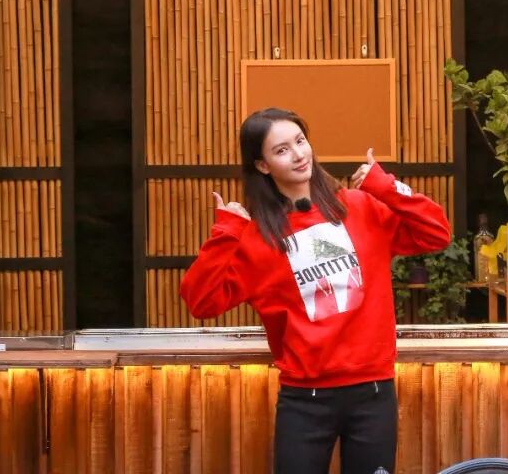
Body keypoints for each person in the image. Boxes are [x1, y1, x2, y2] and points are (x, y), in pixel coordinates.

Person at [180, 107, 451, 474]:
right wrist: (227, 231)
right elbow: (200, 301)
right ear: (262, 166)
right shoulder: (258, 238)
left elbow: (437, 232)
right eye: (282, 150)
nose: (298, 154)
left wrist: (386, 187)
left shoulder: (359, 207)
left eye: (300, 141)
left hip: (374, 391)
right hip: (303, 400)